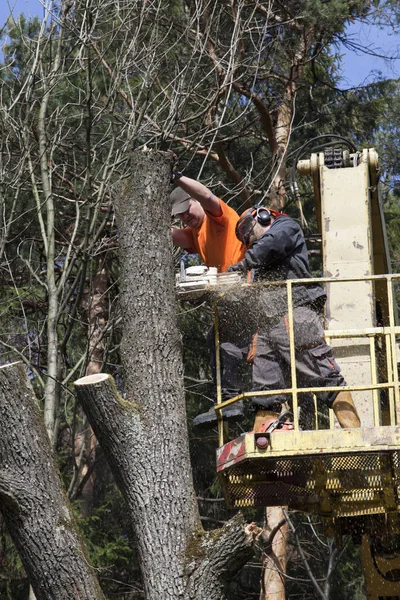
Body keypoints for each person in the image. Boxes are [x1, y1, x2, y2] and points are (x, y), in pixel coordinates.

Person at [227, 206, 361, 430]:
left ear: (262, 217)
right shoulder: (257, 259)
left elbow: (271, 245)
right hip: (268, 325)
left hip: (295, 314)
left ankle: (356, 436)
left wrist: (243, 264)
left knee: (326, 379)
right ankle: (266, 439)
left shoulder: (285, 227)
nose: (249, 242)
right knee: (264, 390)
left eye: (248, 235)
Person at [170, 173, 247, 427]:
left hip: (242, 291)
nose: (185, 217)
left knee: (226, 344)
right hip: (227, 297)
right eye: (179, 215)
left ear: (195, 201)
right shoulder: (195, 232)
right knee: (216, 342)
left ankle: (232, 401)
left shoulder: (219, 218)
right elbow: (172, 235)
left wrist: (177, 177)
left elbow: (207, 196)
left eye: (186, 209)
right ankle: (228, 401)